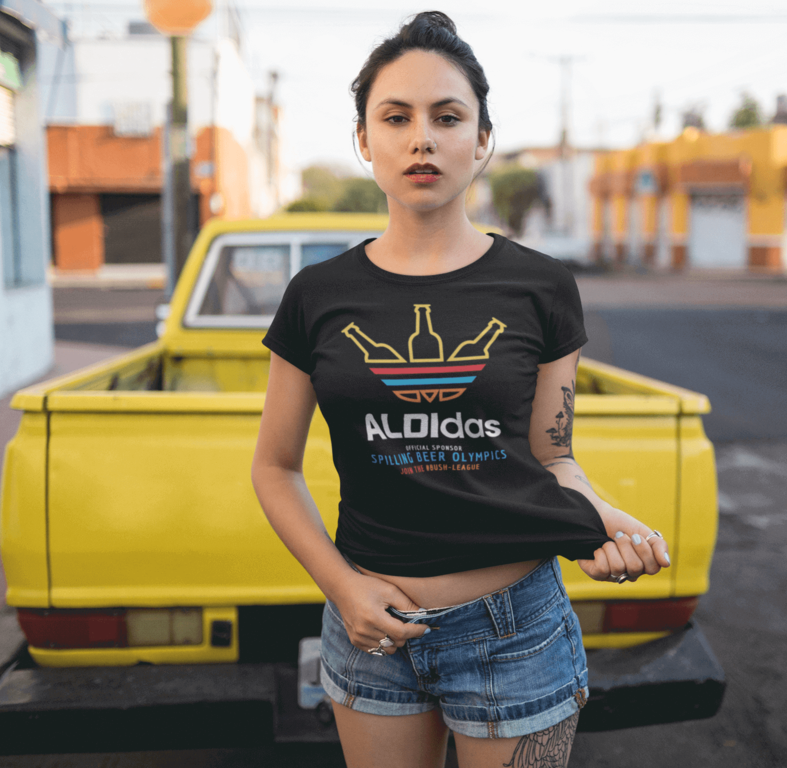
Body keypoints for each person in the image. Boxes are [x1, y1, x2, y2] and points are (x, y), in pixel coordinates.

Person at [251, 10, 670, 768]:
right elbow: (273, 466)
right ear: (363, 141)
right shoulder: (316, 295)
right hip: (371, 630)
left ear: (481, 142)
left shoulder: (541, 286)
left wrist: (605, 524)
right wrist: (342, 588)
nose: (422, 138)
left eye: (448, 117)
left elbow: (553, 459)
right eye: (396, 117)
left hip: (517, 631)